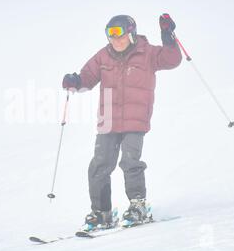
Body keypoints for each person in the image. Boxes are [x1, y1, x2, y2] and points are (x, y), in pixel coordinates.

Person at [62, 14, 182, 231]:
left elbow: (172, 60)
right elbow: (86, 78)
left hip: (135, 119)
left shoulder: (147, 53)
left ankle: (138, 206)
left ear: (131, 34)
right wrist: (75, 81)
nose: (116, 41)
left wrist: (168, 36)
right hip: (108, 119)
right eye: (111, 36)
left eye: (120, 36)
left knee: (130, 161)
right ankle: (102, 213)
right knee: (99, 165)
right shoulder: (103, 56)